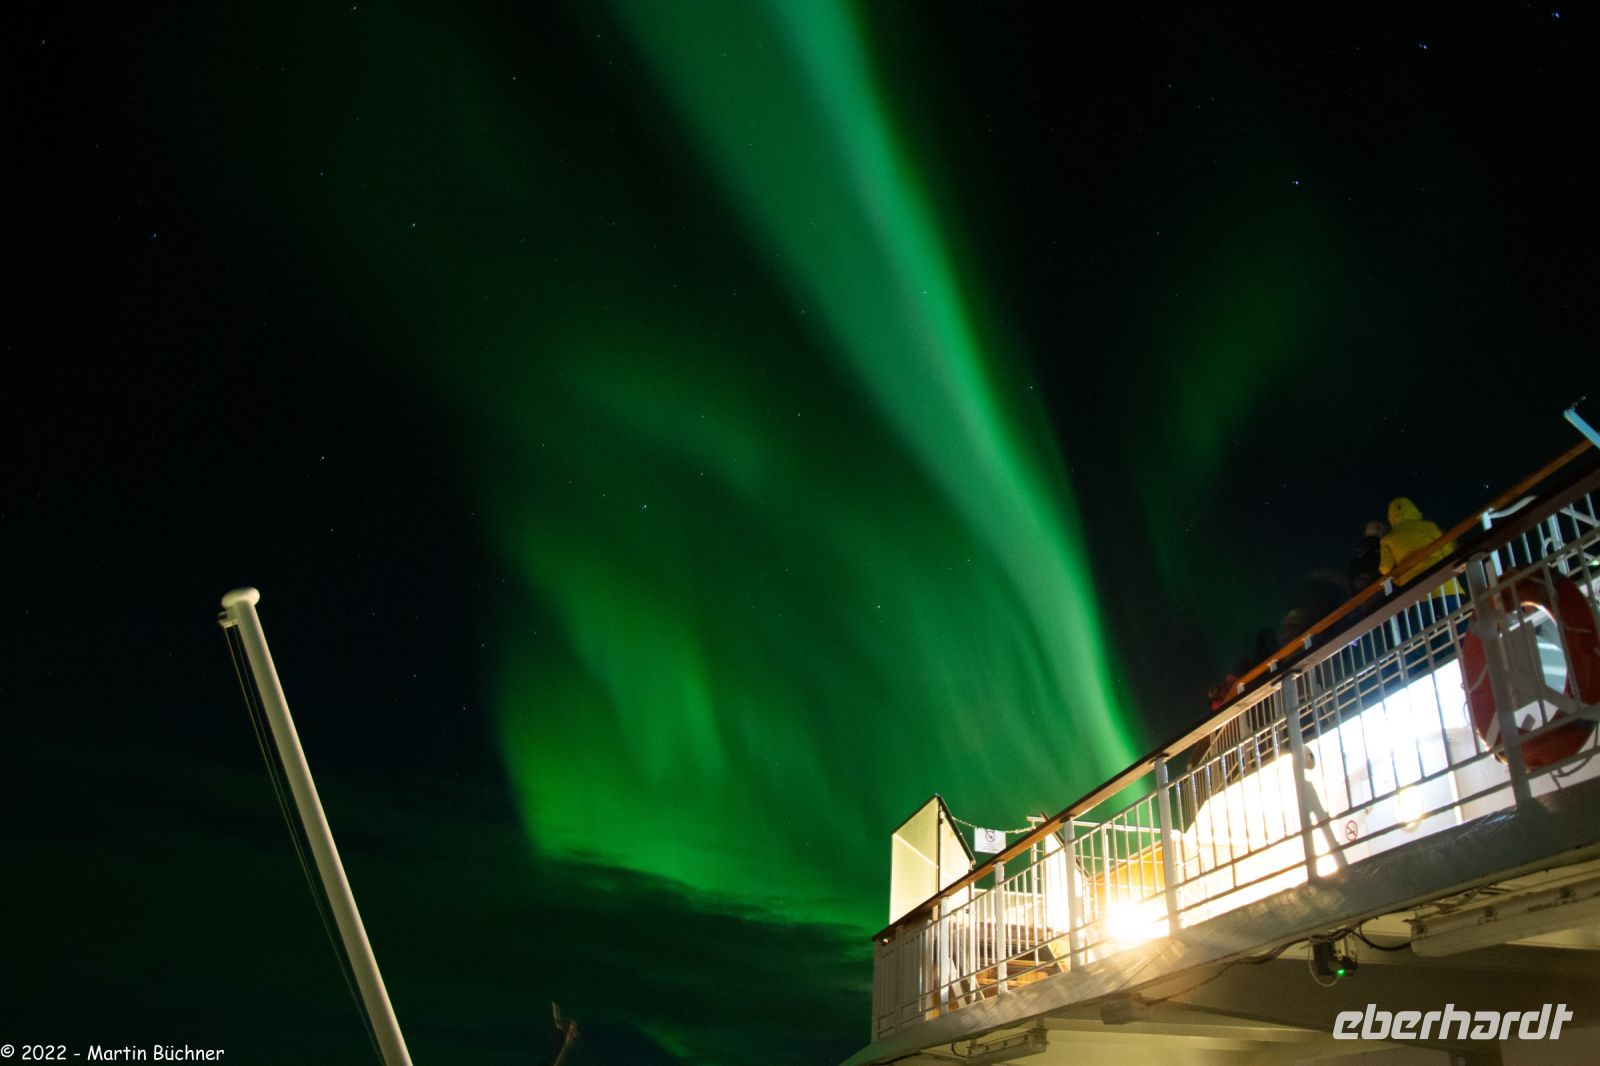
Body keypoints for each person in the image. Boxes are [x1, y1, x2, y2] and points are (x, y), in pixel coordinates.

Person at [1379, 497, 1457, 587]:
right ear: (1413, 509)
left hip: (1414, 589)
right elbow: (1448, 550)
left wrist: (1400, 581)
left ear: (1391, 517)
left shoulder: (1387, 540)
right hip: (1444, 583)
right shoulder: (1430, 526)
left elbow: (1386, 568)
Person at [1350, 520, 1387, 590]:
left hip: (1363, 597)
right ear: (1381, 532)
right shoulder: (1382, 547)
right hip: (1384, 594)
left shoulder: (1357, 555)